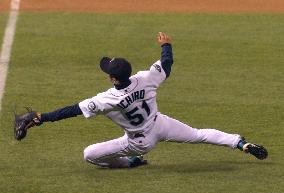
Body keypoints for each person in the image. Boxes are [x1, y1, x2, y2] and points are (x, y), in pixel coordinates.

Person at [14, 32, 268, 168]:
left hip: (138, 142)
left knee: (89, 155)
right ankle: (241, 143)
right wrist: (166, 45)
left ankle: (131, 162)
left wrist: (41, 118)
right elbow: (166, 65)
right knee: (199, 134)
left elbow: (71, 111)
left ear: (113, 78)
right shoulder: (145, 78)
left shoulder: (107, 99)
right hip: (161, 124)